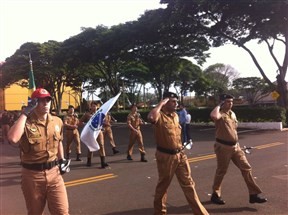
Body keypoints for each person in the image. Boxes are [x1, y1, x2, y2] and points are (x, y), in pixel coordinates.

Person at [7, 88, 69, 215]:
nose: (45, 103)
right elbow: (13, 138)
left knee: (62, 212)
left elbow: (59, 142)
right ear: (34, 102)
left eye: (48, 100)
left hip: (55, 174)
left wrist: (62, 159)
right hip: (32, 177)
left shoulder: (57, 121)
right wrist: (25, 113)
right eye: (41, 100)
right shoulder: (26, 122)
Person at [147, 91, 209, 215]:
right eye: (173, 101)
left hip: (180, 155)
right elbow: (151, 118)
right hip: (166, 156)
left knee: (189, 184)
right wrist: (161, 103)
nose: (176, 104)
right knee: (163, 186)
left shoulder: (175, 115)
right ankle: (159, 212)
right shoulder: (159, 116)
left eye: (176, 101)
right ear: (165, 102)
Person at [210, 93, 267, 205]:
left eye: (231, 101)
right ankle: (215, 194)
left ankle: (253, 194)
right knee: (221, 171)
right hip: (223, 146)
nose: (230, 103)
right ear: (222, 102)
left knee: (246, 168)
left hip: (236, 146)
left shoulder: (232, 114)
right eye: (227, 101)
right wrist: (219, 105)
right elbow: (213, 116)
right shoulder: (220, 113)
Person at [80, 101, 109, 168]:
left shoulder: (99, 114)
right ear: (91, 107)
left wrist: (105, 125)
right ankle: (89, 160)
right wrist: (85, 126)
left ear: (97, 107)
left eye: (95, 106)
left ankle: (103, 162)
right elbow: (80, 121)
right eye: (93, 106)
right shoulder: (87, 114)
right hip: (91, 133)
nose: (94, 107)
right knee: (91, 146)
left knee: (101, 145)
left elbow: (102, 122)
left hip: (99, 132)